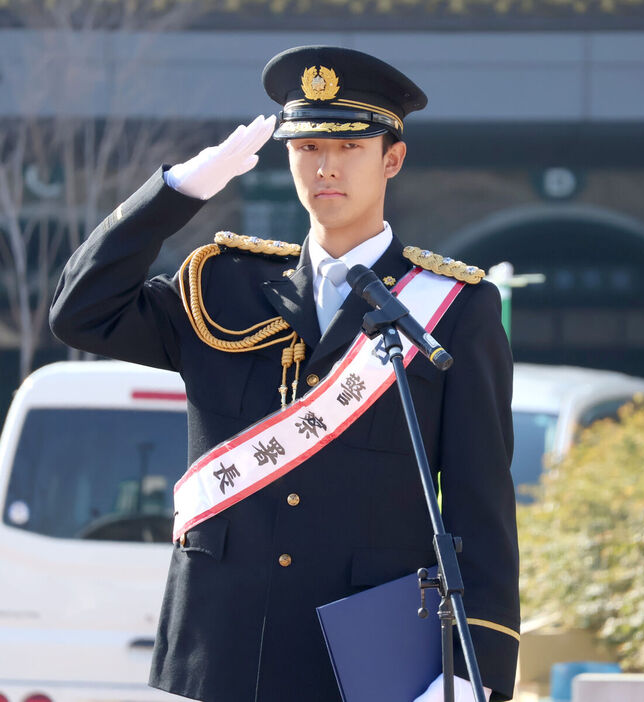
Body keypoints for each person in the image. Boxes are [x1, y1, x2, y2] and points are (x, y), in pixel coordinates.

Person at [50, 46, 519, 702]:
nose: (325, 166)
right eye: (307, 148)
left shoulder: (452, 310)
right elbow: (80, 313)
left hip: (369, 667)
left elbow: (481, 509)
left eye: (349, 146)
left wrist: (472, 677)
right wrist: (176, 193)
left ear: (392, 159)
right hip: (224, 652)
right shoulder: (222, 286)